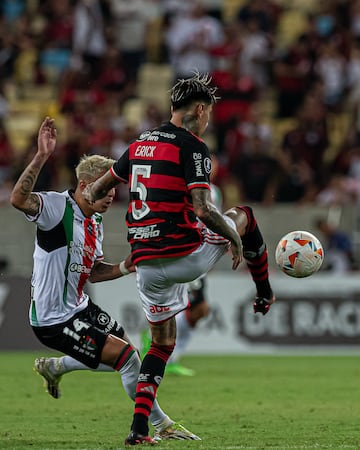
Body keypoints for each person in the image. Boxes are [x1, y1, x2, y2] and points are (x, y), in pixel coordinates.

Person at [84, 73, 275, 445]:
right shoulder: (194, 147)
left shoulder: (139, 144)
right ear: (200, 110)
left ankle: (139, 429)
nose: (207, 122)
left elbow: (96, 189)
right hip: (183, 254)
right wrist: (234, 237)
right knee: (246, 216)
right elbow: (203, 209)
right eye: (208, 116)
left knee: (161, 343)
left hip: (145, 265)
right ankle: (264, 293)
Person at [10, 117, 201, 443]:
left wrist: (129, 265)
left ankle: (57, 367)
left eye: (116, 188)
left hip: (80, 308)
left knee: (127, 355)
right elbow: (18, 199)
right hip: (52, 319)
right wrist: (42, 156)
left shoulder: (94, 222)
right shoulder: (57, 207)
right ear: (85, 186)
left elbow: (93, 271)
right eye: (108, 188)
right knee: (127, 360)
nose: (113, 195)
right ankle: (162, 426)